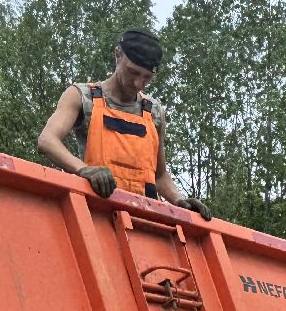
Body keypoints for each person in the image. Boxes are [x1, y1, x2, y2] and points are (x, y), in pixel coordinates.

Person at [37, 28, 211, 218]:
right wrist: (84, 170)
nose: (138, 83)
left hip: (144, 223)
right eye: (132, 72)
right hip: (96, 214)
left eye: (147, 77)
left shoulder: (154, 111)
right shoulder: (82, 96)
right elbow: (47, 141)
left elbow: (159, 175)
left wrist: (180, 201)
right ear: (117, 54)